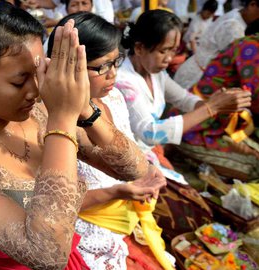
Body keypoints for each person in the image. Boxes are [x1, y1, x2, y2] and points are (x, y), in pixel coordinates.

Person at [0, 2, 149, 269]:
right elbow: (47, 255)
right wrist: (62, 120)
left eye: (39, 74)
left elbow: (134, 168)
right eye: (19, 81)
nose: (36, 90)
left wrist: (84, 109)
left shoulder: (39, 114)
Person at [47, 12, 175, 270]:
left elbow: (129, 153)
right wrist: (118, 190)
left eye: (116, 61)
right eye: (102, 66)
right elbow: (54, 203)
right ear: (70, 66)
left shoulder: (114, 98)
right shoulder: (55, 119)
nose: (113, 74)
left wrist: (149, 171)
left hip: (124, 204)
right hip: (88, 223)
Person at [117, 9, 249, 239]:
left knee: (199, 208)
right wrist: (212, 107)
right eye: (163, 51)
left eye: (173, 51)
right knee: (189, 215)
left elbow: (183, 99)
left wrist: (217, 104)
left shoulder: (156, 72)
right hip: (129, 161)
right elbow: (150, 133)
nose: (169, 59)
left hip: (148, 153)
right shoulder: (123, 81)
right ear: (139, 48)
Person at [180, 20, 259, 179]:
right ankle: (183, 152)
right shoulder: (251, 47)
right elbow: (256, 95)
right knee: (253, 169)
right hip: (199, 123)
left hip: (220, 118)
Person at [175, 0, 259, 90]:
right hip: (196, 78)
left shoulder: (237, 14)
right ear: (252, 5)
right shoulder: (233, 26)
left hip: (196, 71)